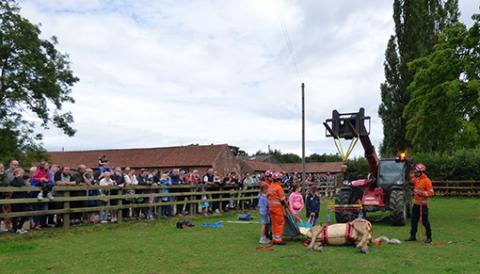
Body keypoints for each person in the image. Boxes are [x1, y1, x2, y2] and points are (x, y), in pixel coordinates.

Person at [406, 163, 434, 243]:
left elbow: (431, 192)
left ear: (422, 172)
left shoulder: (427, 181)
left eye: (417, 172)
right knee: (413, 220)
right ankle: (412, 236)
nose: (416, 173)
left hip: (423, 205)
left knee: (425, 221)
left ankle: (429, 237)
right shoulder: (417, 179)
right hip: (416, 205)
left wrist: (422, 193)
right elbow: (410, 180)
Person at [266, 171, 287, 245]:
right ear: (279, 180)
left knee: (274, 223)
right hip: (277, 208)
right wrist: (286, 205)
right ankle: (278, 239)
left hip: (271, 208)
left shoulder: (270, 187)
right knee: (280, 223)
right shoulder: (278, 187)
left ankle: (274, 238)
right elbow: (282, 199)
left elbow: (267, 196)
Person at [10, 168, 29, 234]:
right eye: (21, 172)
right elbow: (20, 183)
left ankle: (19, 227)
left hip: (23, 198)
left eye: (23, 172)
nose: (22, 174)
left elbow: (26, 185)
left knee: (25, 213)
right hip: (16, 198)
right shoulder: (13, 180)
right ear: (17, 173)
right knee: (16, 214)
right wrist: (18, 177)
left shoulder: (22, 180)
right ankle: (15, 229)